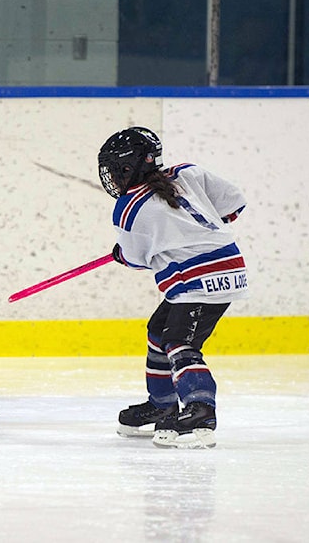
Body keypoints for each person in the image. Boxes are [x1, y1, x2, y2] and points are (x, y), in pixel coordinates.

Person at [98, 127, 249, 449]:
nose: (112, 177)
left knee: (180, 342)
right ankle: (163, 403)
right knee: (158, 331)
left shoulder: (129, 207)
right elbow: (233, 204)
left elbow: (136, 260)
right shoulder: (187, 173)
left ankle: (201, 410)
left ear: (128, 168)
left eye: (114, 169)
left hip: (200, 280)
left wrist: (121, 254)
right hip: (224, 265)